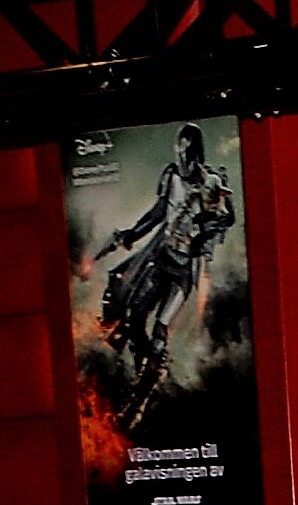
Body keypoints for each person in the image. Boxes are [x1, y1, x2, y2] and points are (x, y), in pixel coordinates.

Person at [92, 123, 237, 424]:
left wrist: (205, 229)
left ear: (196, 153)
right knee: (134, 316)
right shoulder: (171, 175)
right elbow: (158, 212)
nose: (182, 158)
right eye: (179, 152)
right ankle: (145, 368)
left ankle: (140, 398)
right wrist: (132, 233)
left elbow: (227, 218)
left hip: (182, 271)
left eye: (187, 153)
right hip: (161, 260)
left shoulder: (210, 182)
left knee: (160, 329)